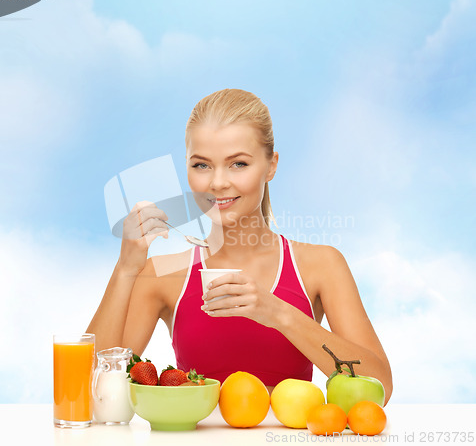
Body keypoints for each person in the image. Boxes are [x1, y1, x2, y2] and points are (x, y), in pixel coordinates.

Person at [87, 89, 393, 401]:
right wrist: (126, 268)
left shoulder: (321, 265)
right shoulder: (162, 274)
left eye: (238, 164)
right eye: (202, 165)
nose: (218, 182)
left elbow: (379, 385)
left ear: (271, 165)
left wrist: (278, 313)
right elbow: (92, 392)